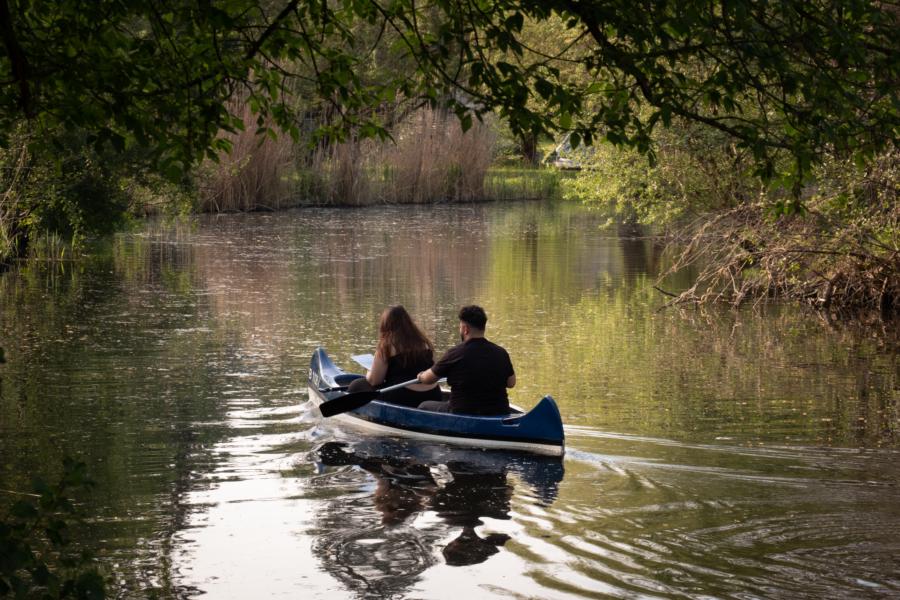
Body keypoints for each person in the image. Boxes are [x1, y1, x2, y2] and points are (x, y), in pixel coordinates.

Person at [416, 305, 515, 415]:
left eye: (460, 327)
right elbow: (511, 383)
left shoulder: (454, 353)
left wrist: (421, 376)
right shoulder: (501, 353)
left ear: (465, 329)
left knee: (424, 406)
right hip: (498, 412)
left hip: (461, 413)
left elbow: (428, 379)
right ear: (483, 327)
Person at [347, 305, 442, 407]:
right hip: (433, 394)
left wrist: (369, 372)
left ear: (386, 324)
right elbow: (435, 371)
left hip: (403, 397)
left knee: (356, 385)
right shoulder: (424, 342)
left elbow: (375, 381)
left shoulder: (387, 345)